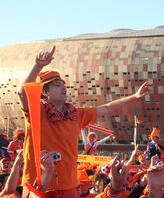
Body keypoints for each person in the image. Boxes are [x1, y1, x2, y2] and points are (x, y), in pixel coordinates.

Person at [18, 45, 149, 197]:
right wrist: (38, 65)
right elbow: (23, 93)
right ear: (45, 92)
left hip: (69, 184)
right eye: (57, 85)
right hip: (38, 183)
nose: (63, 88)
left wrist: (134, 97)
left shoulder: (75, 113)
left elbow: (106, 108)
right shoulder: (36, 110)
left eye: (64, 85)